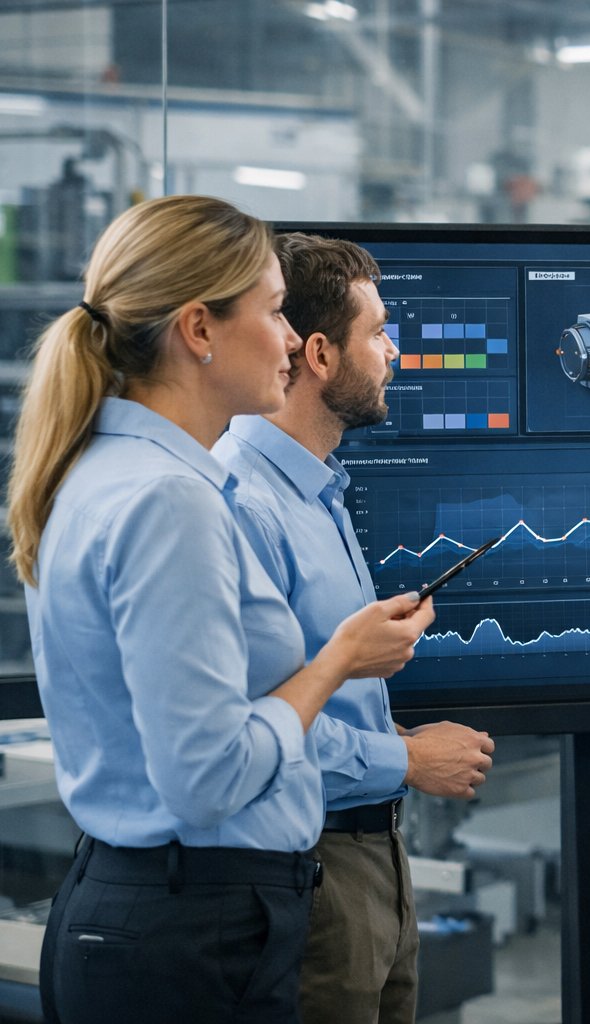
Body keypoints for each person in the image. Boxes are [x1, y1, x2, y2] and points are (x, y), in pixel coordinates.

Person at [6, 195, 436, 1024]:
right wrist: (336, 661)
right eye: (274, 312)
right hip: (191, 929)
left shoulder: (114, 470)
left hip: (157, 912)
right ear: (200, 330)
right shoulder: (170, 500)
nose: (288, 339)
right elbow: (209, 777)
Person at [213, 232, 496, 1024]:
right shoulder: (246, 502)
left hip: (373, 862)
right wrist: (403, 757)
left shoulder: (319, 490)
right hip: (310, 867)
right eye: (377, 332)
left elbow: (308, 686)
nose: (395, 353)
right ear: (319, 355)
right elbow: (248, 730)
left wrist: (379, 718)